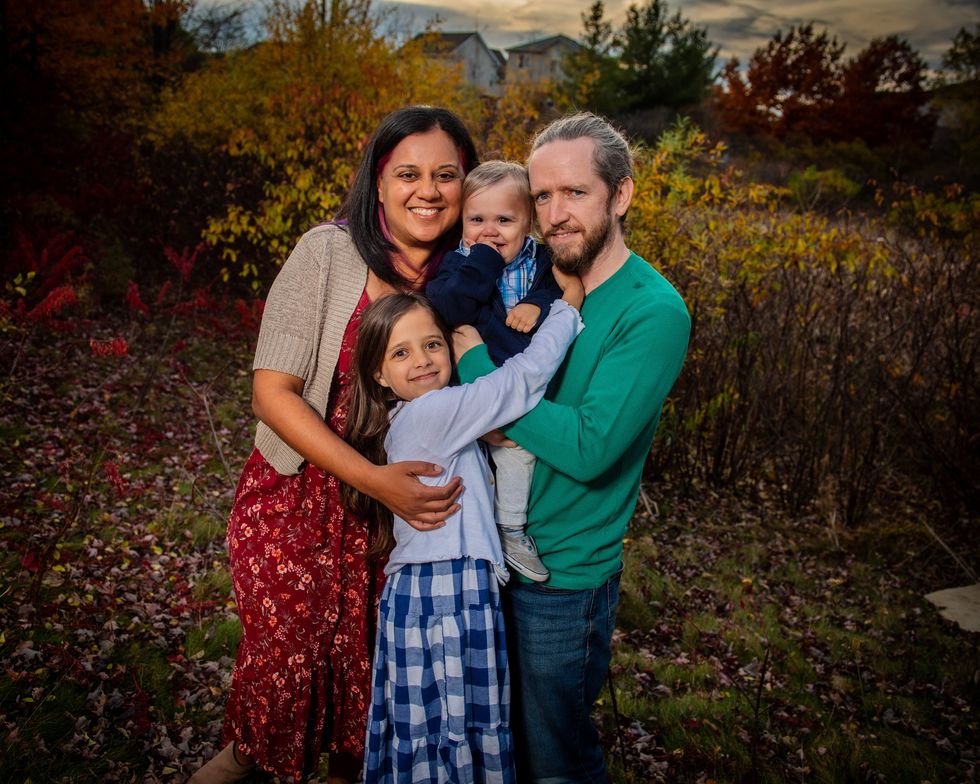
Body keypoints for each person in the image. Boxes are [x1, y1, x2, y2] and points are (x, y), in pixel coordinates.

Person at [189, 106, 479, 784]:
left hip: (399, 526)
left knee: (369, 719)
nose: (428, 190)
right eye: (408, 174)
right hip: (297, 508)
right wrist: (373, 480)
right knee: (274, 708)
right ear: (378, 181)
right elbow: (272, 393)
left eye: (446, 175)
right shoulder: (327, 252)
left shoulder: (468, 278)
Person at [455, 112, 691, 782]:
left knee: (553, 762)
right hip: (483, 553)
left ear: (621, 195)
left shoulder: (652, 311)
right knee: (495, 751)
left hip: (559, 580)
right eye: (542, 196)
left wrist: (480, 377)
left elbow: (589, 446)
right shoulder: (531, 279)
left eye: (576, 192)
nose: (555, 214)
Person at [341, 283, 583, 784]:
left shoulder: (417, 413)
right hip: (444, 591)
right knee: (454, 725)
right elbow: (521, 379)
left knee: (438, 727)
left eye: (432, 344)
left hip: (441, 589)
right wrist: (566, 310)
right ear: (378, 375)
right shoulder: (433, 413)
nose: (423, 360)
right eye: (401, 353)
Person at [426, 160, 563, 582]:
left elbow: (562, 291)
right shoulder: (456, 265)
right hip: (471, 387)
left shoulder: (542, 260)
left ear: (528, 223)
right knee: (470, 471)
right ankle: (477, 546)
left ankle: (511, 531)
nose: (490, 231)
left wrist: (536, 304)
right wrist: (483, 259)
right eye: (477, 220)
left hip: (521, 386)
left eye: (504, 220)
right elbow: (451, 308)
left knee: (517, 455)